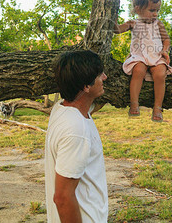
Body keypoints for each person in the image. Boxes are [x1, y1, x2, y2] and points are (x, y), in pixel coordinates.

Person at [45, 50, 109, 223]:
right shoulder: (75, 129)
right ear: (85, 86)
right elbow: (62, 197)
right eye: (99, 75)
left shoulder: (61, 108)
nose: (105, 77)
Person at [114, 0, 172, 122]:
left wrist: (165, 50)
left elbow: (166, 39)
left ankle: (158, 107)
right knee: (138, 71)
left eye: (157, 11)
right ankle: (134, 103)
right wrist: (113, 19)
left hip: (156, 55)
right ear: (138, 9)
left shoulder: (158, 24)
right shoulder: (133, 23)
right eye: (152, 10)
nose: (155, 14)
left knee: (160, 74)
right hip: (139, 56)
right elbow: (117, 30)